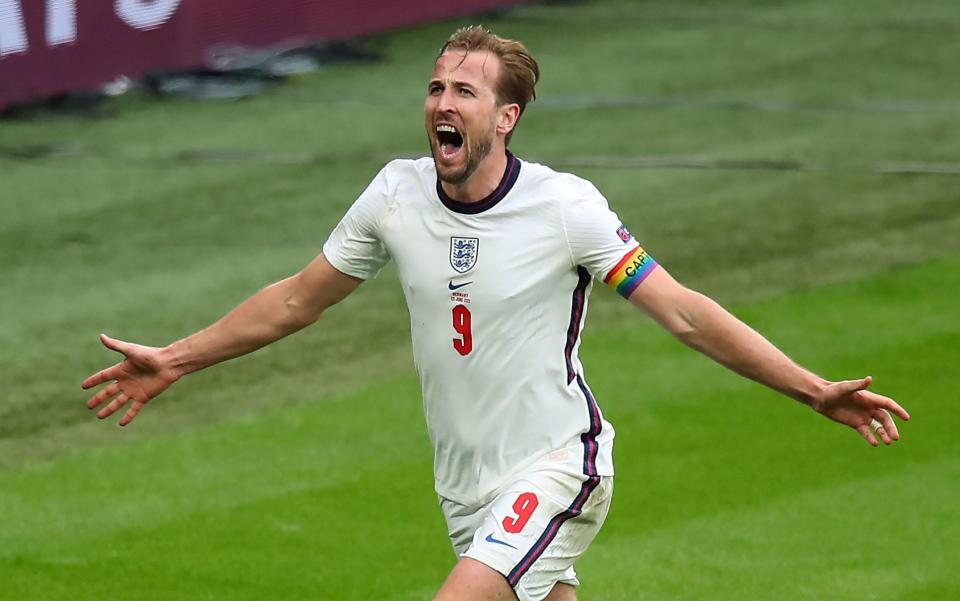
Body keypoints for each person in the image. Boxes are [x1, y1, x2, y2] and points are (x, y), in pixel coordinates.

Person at [82, 26, 910, 601]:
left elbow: (686, 313)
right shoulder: (394, 194)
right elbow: (299, 299)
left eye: (466, 91)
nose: (444, 101)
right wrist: (178, 357)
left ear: (505, 117)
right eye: (437, 86)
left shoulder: (566, 208)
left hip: (558, 465)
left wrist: (812, 390)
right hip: (464, 484)